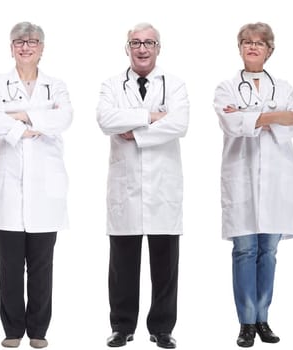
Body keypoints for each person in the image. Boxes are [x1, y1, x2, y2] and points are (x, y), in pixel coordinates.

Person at [96, 22, 189, 349]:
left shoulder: (174, 85)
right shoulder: (111, 85)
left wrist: (133, 129)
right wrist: (152, 116)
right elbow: (106, 120)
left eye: (149, 42)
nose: (142, 48)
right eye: (136, 42)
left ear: (158, 48)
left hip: (164, 186)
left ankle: (162, 328)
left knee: (165, 263)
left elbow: (179, 124)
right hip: (127, 187)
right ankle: (122, 326)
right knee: (122, 264)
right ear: (127, 48)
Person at [0, 21, 73, 349]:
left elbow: (62, 120)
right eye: (19, 41)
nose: (25, 46)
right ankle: (12, 330)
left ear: (42, 48)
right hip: (7, 188)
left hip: (45, 190)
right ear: (11, 47)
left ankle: (38, 331)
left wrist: (19, 116)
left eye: (32, 41)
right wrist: (34, 121)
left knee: (41, 265)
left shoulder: (56, 86)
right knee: (8, 265)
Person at [213, 22, 293, 348]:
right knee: (244, 251)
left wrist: (254, 115)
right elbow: (232, 123)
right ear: (239, 48)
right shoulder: (226, 87)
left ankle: (263, 318)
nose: (253, 47)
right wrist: (271, 116)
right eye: (247, 42)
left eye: (259, 43)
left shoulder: (283, 86)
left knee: (268, 251)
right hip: (241, 177)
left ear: (269, 50)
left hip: (277, 180)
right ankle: (246, 322)